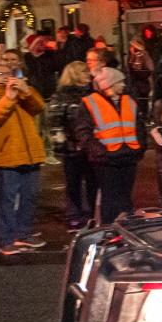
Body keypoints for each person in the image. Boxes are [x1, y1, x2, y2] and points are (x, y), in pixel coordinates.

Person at [0, 63, 46, 255]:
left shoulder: (23, 95)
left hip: (31, 155)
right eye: (0, 73)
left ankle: (23, 234)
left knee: (29, 197)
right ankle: (6, 240)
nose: (5, 76)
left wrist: (26, 91)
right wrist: (8, 97)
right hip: (7, 157)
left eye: (8, 72)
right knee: (7, 200)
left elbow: (39, 107)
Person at [75, 67, 146, 222]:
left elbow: (139, 127)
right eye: (120, 82)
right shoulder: (90, 103)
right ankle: (111, 231)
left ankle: (126, 229)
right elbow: (83, 133)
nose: (123, 85)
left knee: (125, 198)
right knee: (110, 199)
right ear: (110, 84)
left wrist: (139, 149)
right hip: (106, 161)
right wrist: (101, 153)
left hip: (128, 157)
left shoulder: (129, 101)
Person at [48, 62, 97, 231]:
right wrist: (64, 145)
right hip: (72, 148)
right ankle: (74, 215)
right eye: (84, 71)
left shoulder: (93, 94)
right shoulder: (62, 96)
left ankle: (92, 214)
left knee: (93, 182)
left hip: (91, 146)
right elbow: (55, 123)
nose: (88, 74)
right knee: (73, 183)